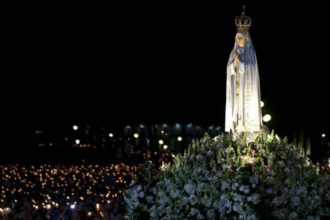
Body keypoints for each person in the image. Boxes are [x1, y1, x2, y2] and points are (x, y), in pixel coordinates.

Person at [225, 12, 263, 137]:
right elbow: (229, 70)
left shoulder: (251, 53)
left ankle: (250, 127)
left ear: (246, 39)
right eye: (238, 38)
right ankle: (236, 128)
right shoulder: (233, 52)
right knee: (237, 108)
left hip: (247, 86)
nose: (240, 40)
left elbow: (251, 68)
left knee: (247, 108)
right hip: (237, 86)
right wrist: (233, 64)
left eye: (242, 38)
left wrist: (240, 62)